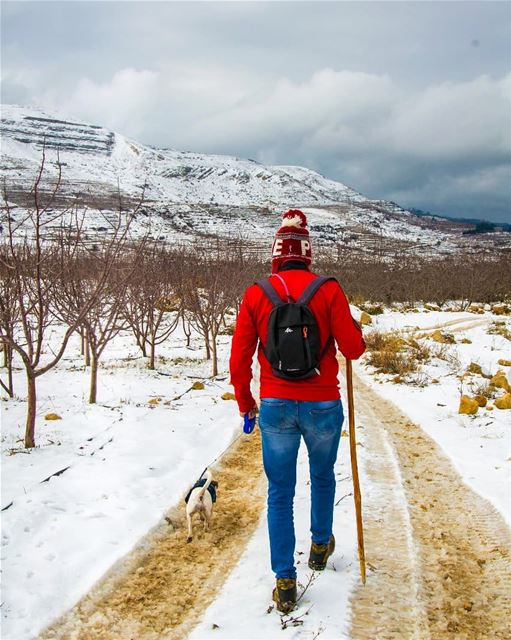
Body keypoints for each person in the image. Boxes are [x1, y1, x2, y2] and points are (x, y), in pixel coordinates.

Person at [229, 209, 366, 613]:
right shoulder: (328, 290)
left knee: (279, 492)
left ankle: (285, 579)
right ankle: (320, 546)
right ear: (307, 253)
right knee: (323, 476)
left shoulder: (257, 293)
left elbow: (239, 359)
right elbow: (353, 349)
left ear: (276, 254)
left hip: (275, 405)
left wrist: (246, 402)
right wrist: (354, 328)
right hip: (323, 402)